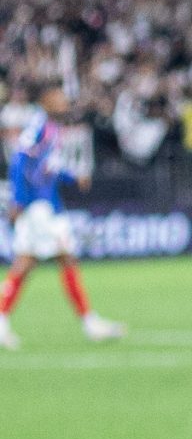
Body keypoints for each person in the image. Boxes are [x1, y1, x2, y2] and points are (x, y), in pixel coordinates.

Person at [0, 81, 125, 349]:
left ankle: (2, 321)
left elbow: (47, 168)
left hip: (47, 205)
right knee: (60, 258)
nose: (64, 100)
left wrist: (71, 177)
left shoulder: (53, 128)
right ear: (46, 100)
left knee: (27, 263)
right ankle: (90, 323)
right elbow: (20, 161)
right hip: (38, 207)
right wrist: (19, 201)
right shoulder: (39, 126)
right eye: (58, 96)